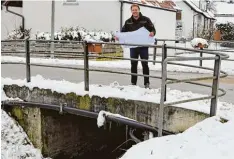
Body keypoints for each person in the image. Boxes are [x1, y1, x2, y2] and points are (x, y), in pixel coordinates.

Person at [119, 4, 156, 88]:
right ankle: (133, 83)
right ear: (131, 11)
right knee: (133, 64)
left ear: (139, 10)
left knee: (145, 64)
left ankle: (146, 83)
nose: (135, 11)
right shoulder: (128, 22)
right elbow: (123, 32)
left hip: (143, 46)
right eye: (133, 10)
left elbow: (153, 29)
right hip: (133, 47)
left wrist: (152, 33)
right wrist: (118, 36)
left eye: (136, 10)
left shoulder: (146, 20)